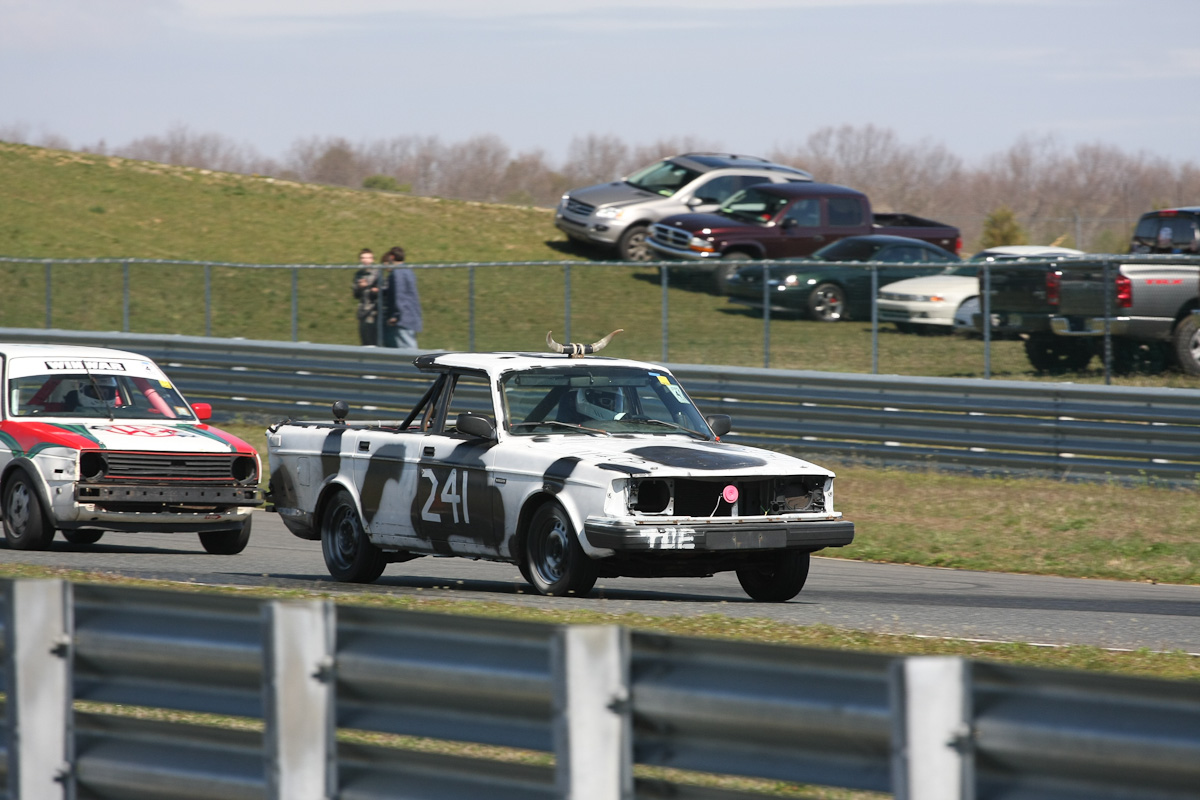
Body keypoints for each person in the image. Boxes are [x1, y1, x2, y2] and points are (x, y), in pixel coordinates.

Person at [381, 245, 423, 349]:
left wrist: (396, 315)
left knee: (407, 350)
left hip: (403, 318)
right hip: (411, 315)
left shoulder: (397, 272)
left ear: (392, 257)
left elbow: (400, 295)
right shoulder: (408, 270)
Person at [352, 248, 382, 346]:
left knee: (375, 342)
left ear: (372, 259)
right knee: (365, 342)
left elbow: (383, 290)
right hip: (363, 312)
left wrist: (375, 290)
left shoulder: (378, 273)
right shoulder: (358, 274)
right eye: (363, 258)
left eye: (368, 258)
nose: (365, 260)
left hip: (374, 312)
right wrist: (360, 287)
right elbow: (355, 294)